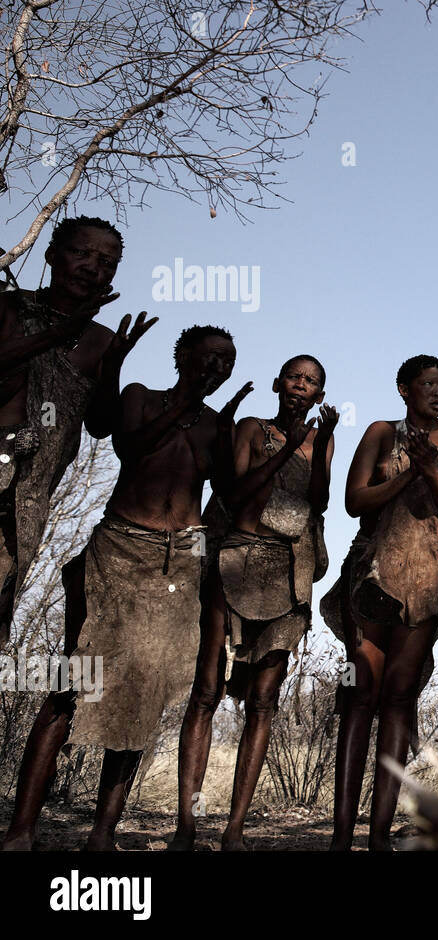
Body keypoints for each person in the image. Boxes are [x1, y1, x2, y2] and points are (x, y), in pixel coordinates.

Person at [3, 325, 241, 850]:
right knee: (73, 681)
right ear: (182, 359)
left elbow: (227, 494)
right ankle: (21, 830)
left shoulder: (216, 428)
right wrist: (178, 403)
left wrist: (238, 436)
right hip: (118, 551)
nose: (216, 370)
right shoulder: (141, 397)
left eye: (226, 362)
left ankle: (102, 834)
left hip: (178, 566)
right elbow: (129, 447)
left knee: (146, 695)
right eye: (208, 359)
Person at [171, 355, 338, 850]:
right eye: (293, 377)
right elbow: (238, 493)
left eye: (310, 381)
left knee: (264, 700)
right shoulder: (250, 428)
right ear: (277, 383)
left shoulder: (319, 439)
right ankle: (186, 824)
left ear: (319, 395)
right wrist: (287, 448)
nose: (300, 386)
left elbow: (320, 502)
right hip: (236, 560)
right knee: (205, 691)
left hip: (289, 576)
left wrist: (321, 443)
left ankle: (235, 830)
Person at [322, 354, 438, 850]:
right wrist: (408, 474)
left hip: (429, 580)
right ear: (404, 389)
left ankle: (378, 838)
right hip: (373, 576)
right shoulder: (380, 432)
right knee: (359, 697)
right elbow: (354, 500)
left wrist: (430, 470)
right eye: (429, 383)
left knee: (397, 701)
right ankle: (341, 838)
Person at [0, 216, 153, 644]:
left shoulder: (102, 340)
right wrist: (56, 334)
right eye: (81, 253)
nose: (93, 267)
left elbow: (101, 426)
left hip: (28, 499)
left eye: (107, 262)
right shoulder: (11, 307)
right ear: (51, 256)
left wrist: (114, 367)